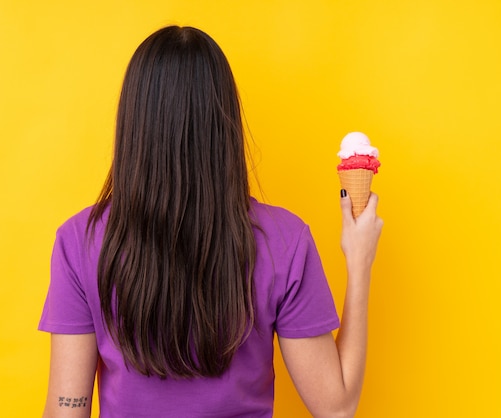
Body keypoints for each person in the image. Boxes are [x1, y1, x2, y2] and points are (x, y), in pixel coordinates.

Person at [39, 25, 383, 418]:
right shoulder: (285, 240)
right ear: (225, 124)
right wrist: (359, 263)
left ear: (132, 124)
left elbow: (67, 413)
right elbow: (337, 409)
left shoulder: (78, 242)